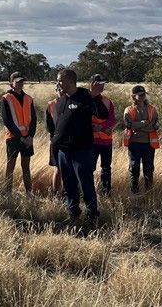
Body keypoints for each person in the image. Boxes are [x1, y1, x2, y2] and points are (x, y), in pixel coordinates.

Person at [52, 69, 98, 218]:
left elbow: (97, 112)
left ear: (70, 81)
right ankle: (73, 214)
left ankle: (92, 216)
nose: (58, 83)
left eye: (60, 80)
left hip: (81, 151)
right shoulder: (62, 100)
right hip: (63, 151)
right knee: (69, 186)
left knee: (86, 185)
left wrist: (93, 96)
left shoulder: (84, 97)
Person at [1, 72, 37, 196]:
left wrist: (30, 136)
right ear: (12, 83)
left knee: (26, 166)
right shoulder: (6, 98)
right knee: (10, 165)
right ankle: (8, 193)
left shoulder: (29, 98)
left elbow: (33, 119)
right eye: (17, 81)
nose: (20, 83)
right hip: (13, 138)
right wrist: (21, 137)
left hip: (27, 138)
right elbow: (7, 120)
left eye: (22, 81)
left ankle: (29, 193)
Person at [123, 85, 160, 194]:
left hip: (149, 144)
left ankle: (149, 193)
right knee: (134, 169)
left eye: (143, 94)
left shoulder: (152, 109)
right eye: (140, 95)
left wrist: (138, 126)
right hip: (134, 144)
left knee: (149, 170)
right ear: (134, 96)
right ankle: (134, 193)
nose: (142, 96)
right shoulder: (129, 109)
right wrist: (144, 123)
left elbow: (156, 125)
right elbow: (128, 124)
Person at [89, 74, 116, 195]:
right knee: (89, 168)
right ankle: (88, 192)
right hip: (90, 141)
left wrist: (101, 126)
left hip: (106, 141)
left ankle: (106, 192)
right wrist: (92, 127)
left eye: (103, 84)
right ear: (93, 83)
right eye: (100, 84)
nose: (102, 86)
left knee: (106, 168)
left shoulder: (107, 101)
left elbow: (112, 119)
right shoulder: (83, 99)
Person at [45, 84, 64, 196]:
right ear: (56, 91)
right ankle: (56, 194)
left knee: (69, 169)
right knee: (58, 169)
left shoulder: (71, 103)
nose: (61, 91)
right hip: (56, 141)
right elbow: (48, 126)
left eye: (62, 89)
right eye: (59, 89)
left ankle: (67, 193)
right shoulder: (51, 105)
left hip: (70, 142)